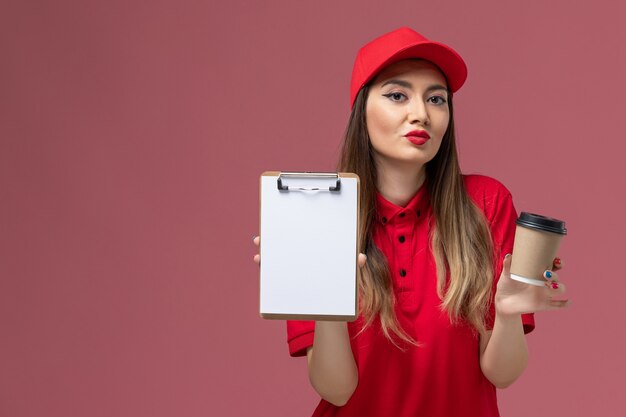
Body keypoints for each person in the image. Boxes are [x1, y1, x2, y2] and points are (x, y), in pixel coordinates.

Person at [253, 27, 570, 417]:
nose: (421, 113)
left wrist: (506, 314)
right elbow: (337, 391)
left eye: (436, 99)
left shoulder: (486, 203)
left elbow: (501, 374)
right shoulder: (317, 216)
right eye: (397, 95)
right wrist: (320, 295)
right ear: (361, 110)